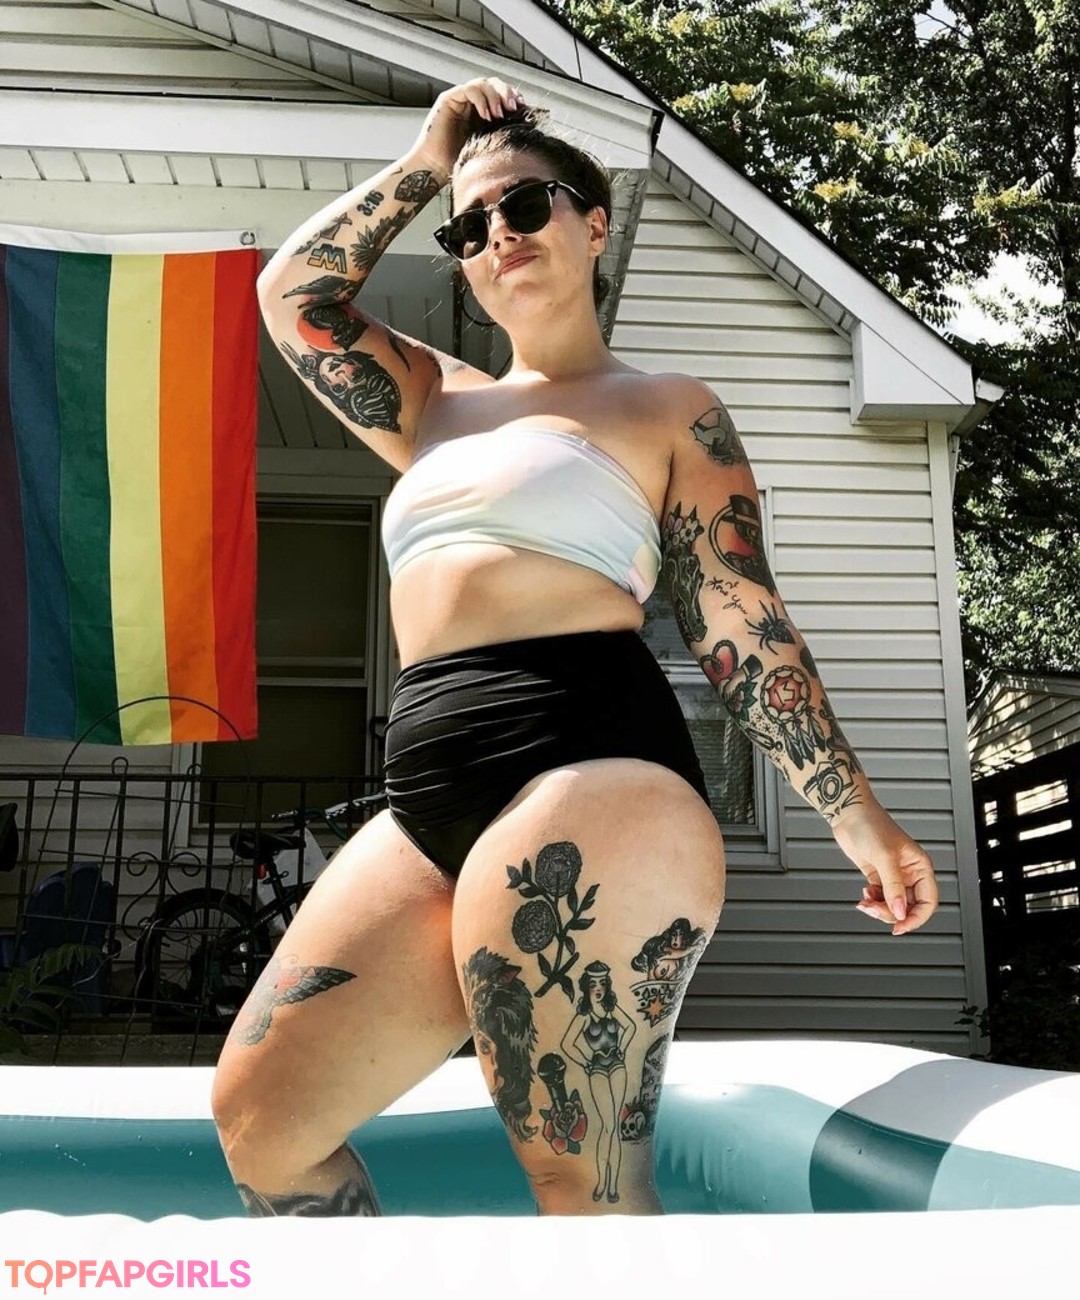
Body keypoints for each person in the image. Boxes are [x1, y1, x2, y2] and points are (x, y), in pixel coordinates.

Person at [211, 76, 940, 1218]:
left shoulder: (667, 408)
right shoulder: (430, 402)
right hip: (429, 794)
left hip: (593, 768)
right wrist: (429, 160)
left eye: (524, 205)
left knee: (577, 1172)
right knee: (264, 1125)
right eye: (469, 227)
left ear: (594, 224)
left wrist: (857, 817)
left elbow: (738, 616)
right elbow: (294, 294)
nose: (497, 233)